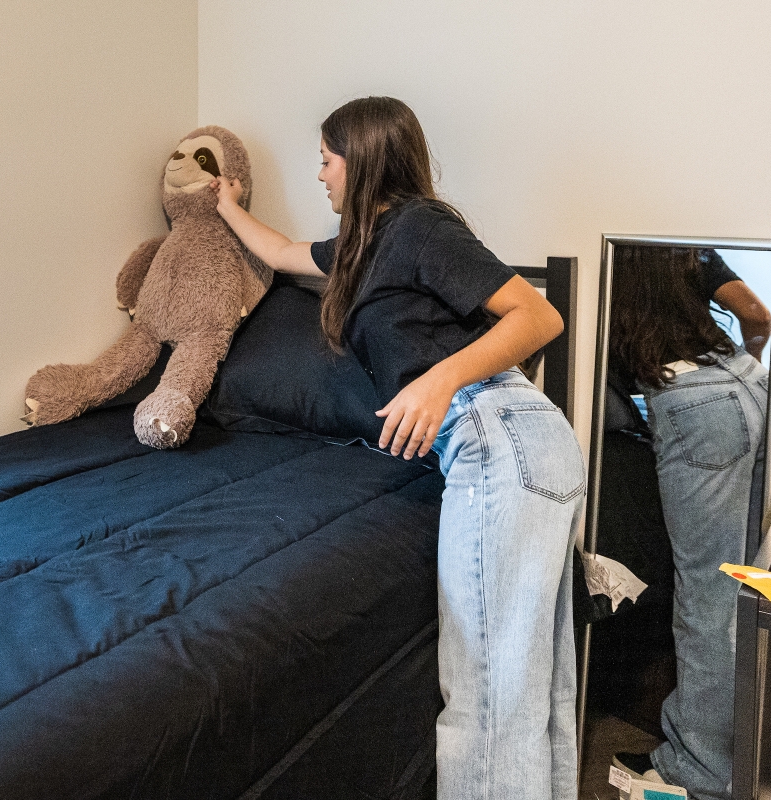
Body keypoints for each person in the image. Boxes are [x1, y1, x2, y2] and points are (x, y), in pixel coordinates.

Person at [211, 96, 585, 800]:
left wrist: (437, 382)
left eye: (326, 160)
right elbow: (283, 252)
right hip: (517, 444)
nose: (318, 175)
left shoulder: (419, 227)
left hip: (499, 434)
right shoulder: (361, 248)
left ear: (363, 158)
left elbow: (538, 315)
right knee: (530, 687)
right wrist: (225, 204)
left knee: (484, 691)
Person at [608, 245, 770, 800]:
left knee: (709, 597)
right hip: (745, 378)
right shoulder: (682, 243)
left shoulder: (613, 242)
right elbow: (757, 315)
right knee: (744, 583)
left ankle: (699, 775)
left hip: (692, 403)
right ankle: (736, 756)